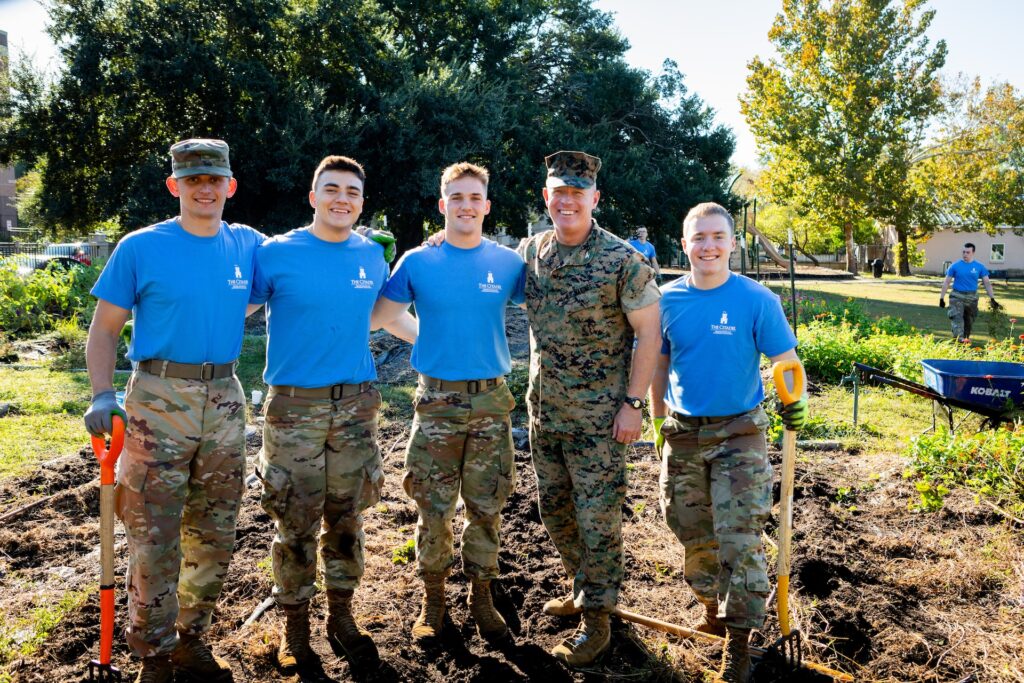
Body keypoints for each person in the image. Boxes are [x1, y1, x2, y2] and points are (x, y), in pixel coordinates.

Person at [84, 139, 264, 683]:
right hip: (156, 403)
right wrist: (100, 394)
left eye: (214, 180)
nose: (205, 189)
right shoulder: (141, 248)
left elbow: (293, 274)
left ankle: (193, 638)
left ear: (230, 185)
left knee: (215, 529)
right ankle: (154, 654)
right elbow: (105, 329)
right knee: (153, 532)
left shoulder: (249, 246)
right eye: (193, 181)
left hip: (226, 399)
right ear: (175, 186)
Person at [249, 155, 417, 673]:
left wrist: (444, 348)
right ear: (313, 196)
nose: (342, 198)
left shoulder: (370, 256)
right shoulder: (275, 254)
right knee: (294, 521)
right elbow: (237, 309)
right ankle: (294, 626)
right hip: (294, 408)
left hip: (355, 407)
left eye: (352, 191)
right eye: (332, 189)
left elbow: (383, 317)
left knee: (347, 517)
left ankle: (341, 617)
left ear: (362, 202)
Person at [649, 202, 807, 683]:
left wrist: (795, 399)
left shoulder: (757, 300)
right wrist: (658, 423)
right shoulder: (665, 301)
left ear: (732, 243)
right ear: (684, 244)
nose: (709, 246)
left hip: (740, 433)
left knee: (739, 538)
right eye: (699, 237)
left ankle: (738, 644)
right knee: (690, 529)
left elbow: (787, 360)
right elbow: (658, 367)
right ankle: (712, 610)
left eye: (718, 236)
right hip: (683, 432)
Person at [372, 162, 526, 645]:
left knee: (487, 502)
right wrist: (427, 341)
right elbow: (382, 315)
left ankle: (481, 595)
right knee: (432, 506)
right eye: (456, 198)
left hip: (490, 400)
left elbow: (546, 305)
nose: (466, 206)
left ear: (486, 205)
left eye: (474, 198)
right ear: (443, 205)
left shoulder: (508, 264)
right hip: (436, 400)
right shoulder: (419, 261)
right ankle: (433, 597)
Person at [519, 151, 661, 666]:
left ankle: (599, 621)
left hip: (602, 422)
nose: (568, 200)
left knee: (597, 520)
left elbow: (649, 333)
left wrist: (633, 405)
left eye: (578, 193)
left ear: (595, 199)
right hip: (546, 414)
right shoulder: (531, 251)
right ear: (547, 198)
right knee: (555, 514)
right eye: (560, 191)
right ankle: (583, 590)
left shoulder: (623, 260)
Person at [939, 242, 1001, 341]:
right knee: (956, 317)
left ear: (973, 252)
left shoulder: (979, 267)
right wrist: (941, 298)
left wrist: (992, 298)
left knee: (969, 320)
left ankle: (965, 339)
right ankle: (959, 338)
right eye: (963, 252)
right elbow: (946, 282)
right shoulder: (955, 266)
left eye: (967, 252)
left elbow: (987, 283)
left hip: (972, 297)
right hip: (957, 295)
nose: (965, 254)